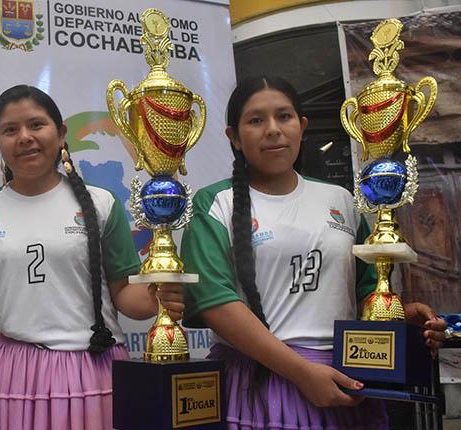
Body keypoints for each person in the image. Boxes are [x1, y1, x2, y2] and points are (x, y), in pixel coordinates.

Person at [179, 76, 447, 429]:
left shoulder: (341, 200)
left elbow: (365, 287)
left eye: (284, 116)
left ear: (302, 127)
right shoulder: (213, 203)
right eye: (256, 120)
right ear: (234, 137)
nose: (273, 130)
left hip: (348, 381)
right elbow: (216, 303)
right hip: (261, 383)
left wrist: (396, 317)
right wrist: (303, 373)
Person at [0, 84, 184, 430]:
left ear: (61, 132)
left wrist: (160, 294)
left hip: (91, 369)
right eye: (10, 130)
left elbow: (126, 297)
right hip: (6, 371)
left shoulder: (101, 204)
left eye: (37, 125)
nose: (24, 137)